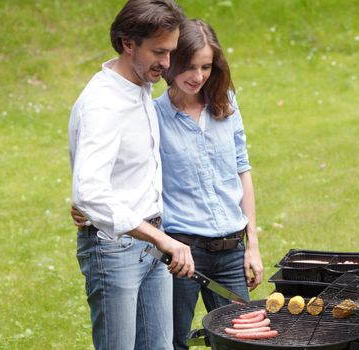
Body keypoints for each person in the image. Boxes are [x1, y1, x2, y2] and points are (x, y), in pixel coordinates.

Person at [68, 1, 194, 349]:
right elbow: (89, 191)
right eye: (159, 52)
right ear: (128, 43)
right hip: (114, 250)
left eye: (170, 51)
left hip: (151, 242)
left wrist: (158, 237)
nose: (167, 63)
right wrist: (162, 240)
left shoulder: (139, 85)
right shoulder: (102, 104)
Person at [154, 19, 263, 350]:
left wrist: (253, 245)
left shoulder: (225, 102)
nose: (197, 76)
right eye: (188, 66)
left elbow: (242, 169)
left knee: (243, 341)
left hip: (231, 251)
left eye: (206, 67)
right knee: (174, 341)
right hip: (182, 253)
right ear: (171, 60)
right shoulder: (154, 114)